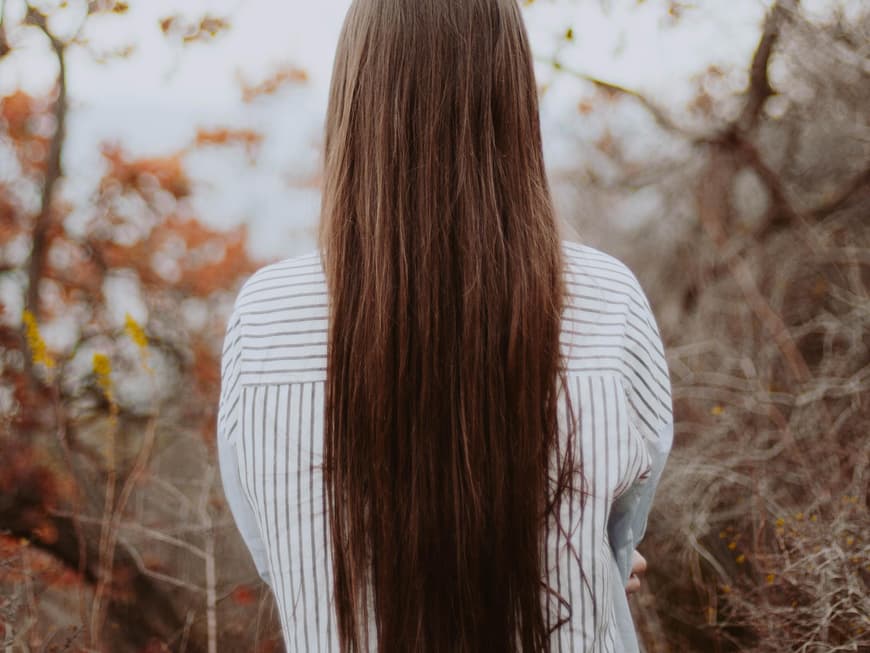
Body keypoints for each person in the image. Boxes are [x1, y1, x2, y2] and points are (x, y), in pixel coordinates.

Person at [217, 0, 673, 651]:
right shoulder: (606, 300)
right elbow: (620, 529)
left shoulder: (263, 316)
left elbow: (280, 556)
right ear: (512, 102)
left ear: (355, 103)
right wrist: (595, 561)